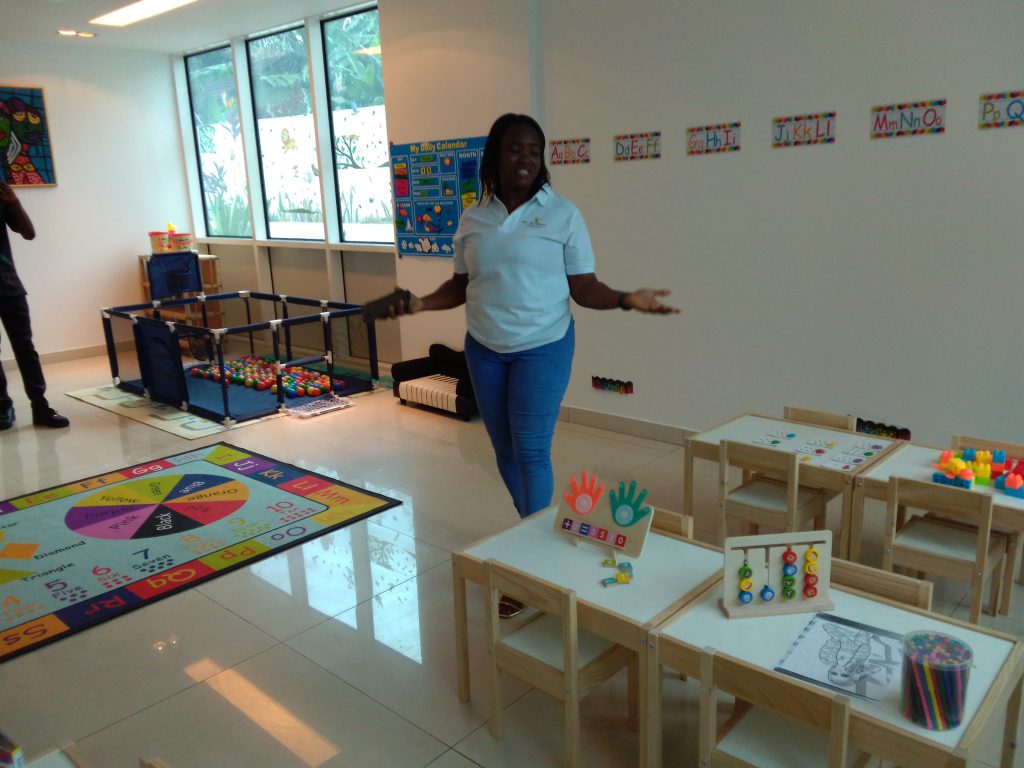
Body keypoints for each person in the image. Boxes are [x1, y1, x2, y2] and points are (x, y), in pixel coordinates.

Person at [375, 112, 675, 518]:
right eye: (515, 148)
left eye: (534, 150)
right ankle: (530, 527)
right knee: (505, 448)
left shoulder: (563, 215)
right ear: (495, 156)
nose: (526, 158)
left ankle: (534, 542)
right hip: (484, 348)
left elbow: (584, 287)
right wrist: (422, 303)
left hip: (543, 346)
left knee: (531, 450)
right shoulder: (474, 217)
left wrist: (626, 298)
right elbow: (461, 284)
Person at [0, 176, 70, 430]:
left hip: (8, 284)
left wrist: (14, 202)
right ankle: (3, 408)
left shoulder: (2, 194)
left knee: (25, 348)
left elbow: (29, 233)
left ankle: (40, 406)